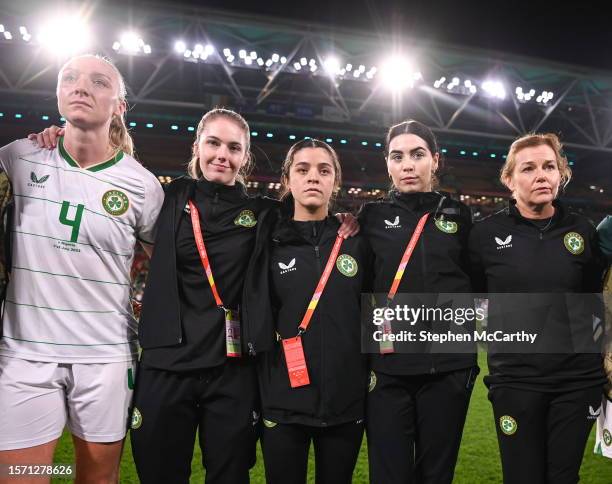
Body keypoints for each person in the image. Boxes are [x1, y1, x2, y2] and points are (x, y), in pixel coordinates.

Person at [123, 110, 357, 484]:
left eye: (234, 148)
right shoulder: (167, 197)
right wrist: (60, 135)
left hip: (231, 370)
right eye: (213, 143)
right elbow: (112, 171)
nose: (222, 155)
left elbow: (310, 209)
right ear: (197, 146)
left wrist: (347, 220)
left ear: (245, 157)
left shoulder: (264, 214)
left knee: (230, 475)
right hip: (168, 363)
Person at [0, 54, 164, 483]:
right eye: (69, 78)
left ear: (119, 106)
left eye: (98, 81)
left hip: (105, 357)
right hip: (25, 355)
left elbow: (167, 266)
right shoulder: (18, 159)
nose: (80, 86)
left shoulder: (142, 185)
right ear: (57, 94)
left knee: (95, 478)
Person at [468, 133, 607, 483]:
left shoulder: (583, 231)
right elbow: (468, 300)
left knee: (563, 478)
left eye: (549, 166)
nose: (541, 175)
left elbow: (596, 302)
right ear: (509, 180)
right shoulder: (484, 236)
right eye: (528, 168)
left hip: (576, 382)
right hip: (515, 382)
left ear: (561, 174)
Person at [242, 138, 371, 484]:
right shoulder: (267, 240)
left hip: (346, 403)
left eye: (323, 170)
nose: (313, 177)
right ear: (287, 180)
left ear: (335, 181)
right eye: (302, 169)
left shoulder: (358, 241)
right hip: (283, 401)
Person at [360, 120, 478, 484]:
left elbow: (478, 281)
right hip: (389, 369)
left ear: (435, 160)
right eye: (398, 156)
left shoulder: (460, 216)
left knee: (436, 475)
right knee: (389, 475)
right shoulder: (369, 218)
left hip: (448, 370)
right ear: (388, 164)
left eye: (417, 154)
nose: (407, 164)